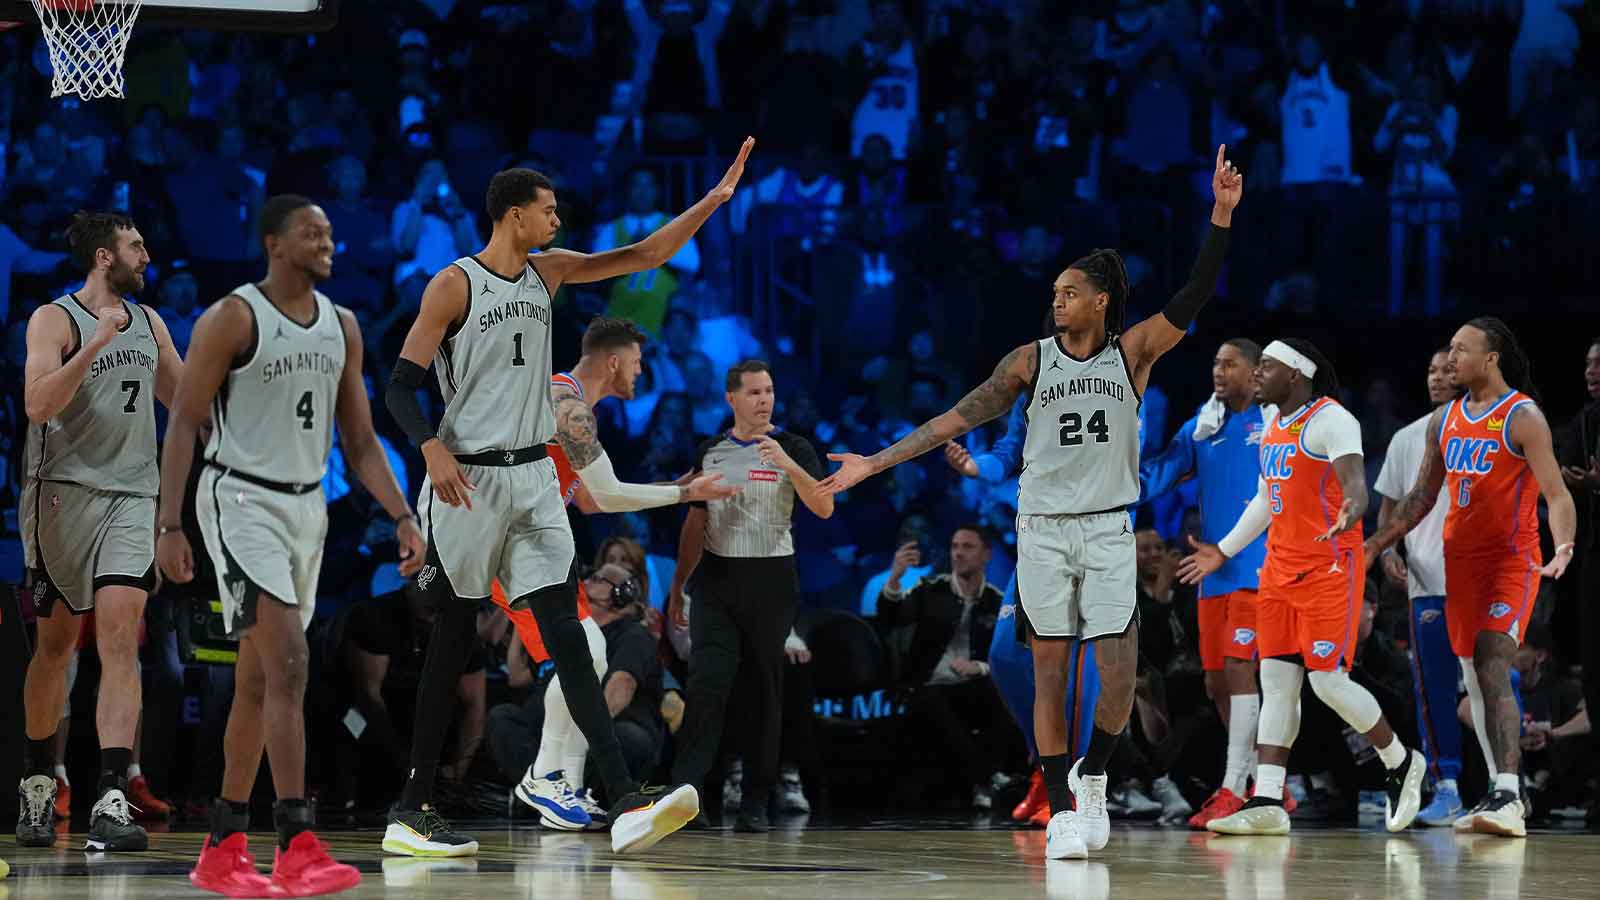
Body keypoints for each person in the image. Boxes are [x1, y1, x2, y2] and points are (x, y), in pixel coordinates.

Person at [821, 146, 1243, 860]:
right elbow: (953, 419)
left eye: (1069, 291)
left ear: (1101, 300)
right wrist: (875, 460)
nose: (1057, 299)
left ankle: (1097, 778)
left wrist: (1221, 218)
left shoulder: (1132, 353)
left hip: (1111, 527)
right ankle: (1062, 801)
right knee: (1048, 668)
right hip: (1043, 529)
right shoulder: (1029, 360)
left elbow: (1192, 299)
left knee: (1118, 670)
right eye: (1054, 290)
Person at [381, 139, 754, 856]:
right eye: (547, 211)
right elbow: (400, 386)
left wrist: (710, 202)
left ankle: (622, 802)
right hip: (469, 478)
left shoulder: (548, 274)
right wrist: (428, 446)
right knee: (453, 642)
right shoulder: (453, 285)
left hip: (533, 480)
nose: (558, 220)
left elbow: (643, 256)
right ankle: (410, 806)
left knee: (573, 640)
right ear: (514, 215)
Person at [155, 195, 425, 896]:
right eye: (312, 232)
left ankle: (222, 845)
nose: (327, 240)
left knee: (256, 681)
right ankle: (297, 838)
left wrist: (402, 515)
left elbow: (360, 443)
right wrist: (169, 525)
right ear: (274, 243)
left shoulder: (343, 325)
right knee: (294, 664)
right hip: (240, 500)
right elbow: (183, 423)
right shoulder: (233, 317)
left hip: (307, 508)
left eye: (331, 231)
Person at [491, 316, 737, 832]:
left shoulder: (574, 406)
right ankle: (544, 777)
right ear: (614, 360)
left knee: (590, 654)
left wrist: (675, 486)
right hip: (506, 546)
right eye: (639, 362)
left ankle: (562, 787)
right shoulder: (569, 404)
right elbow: (608, 494)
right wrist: (685, 493)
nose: (642, 372)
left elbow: (587, 499)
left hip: (532, 548)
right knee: (585, 650)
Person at [1179, 339, 1425, 837]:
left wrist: (1352, 507)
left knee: (1327, 682)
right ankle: (1268, 798)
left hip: (1329, 568)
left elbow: (1354, 482)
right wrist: (1223, 549)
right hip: (1278, 571)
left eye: (1265, 367)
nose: (1257, 375)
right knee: (1277, 685)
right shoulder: (1273, 426)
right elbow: (1268, 499)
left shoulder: (1333, 420)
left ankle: (1400, 760)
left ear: (1295, 374)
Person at [1363, 317, 1577, 837]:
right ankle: (1503, 792)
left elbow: (1557, 493)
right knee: (1474, 680)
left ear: (1491, 357)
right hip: (1460, 568)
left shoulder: (1522, 416)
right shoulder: (1445, 422)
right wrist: (1373, 544)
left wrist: (1564, 542)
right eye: (1450, 350)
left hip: (1511, 561)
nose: (1452, 359)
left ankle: (1506, 790)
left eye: (1462, 350)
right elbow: (1419, 499)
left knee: (1491, 660)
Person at [17, 212, 183, 852]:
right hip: (61, 496)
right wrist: (95, 345)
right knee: (56, 648)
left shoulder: (151, 322)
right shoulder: (54, 319)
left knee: (120, 641)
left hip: (133, 497)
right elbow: (37, 405)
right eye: (136, 245)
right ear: (104, 257)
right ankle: (38, 780)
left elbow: (185, 398)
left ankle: (111, 794)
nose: (147, 254)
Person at [668, 359, 834, 831]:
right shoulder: (711, 450)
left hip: (771, 579)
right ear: (732, 399)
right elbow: (695, 521)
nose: (765, 401)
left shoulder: (795, 446)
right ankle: (687, 795)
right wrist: (679, 586)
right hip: (716, 579)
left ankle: (756, 801)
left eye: (769, 391)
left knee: (764, 690)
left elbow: (823, 506)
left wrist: (786, 464)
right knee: (707, 684)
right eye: (755, 393)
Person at [1137, 338, 1272, 829]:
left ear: (1257, 372)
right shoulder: (1204, 423)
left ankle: (1235, 789)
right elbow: (1155, 477)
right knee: (1217, 683)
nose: (1219, 369)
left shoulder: (1276, 423)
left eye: (1230, 363)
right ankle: (1263, 783)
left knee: (1239, 671)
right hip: (1211, 573)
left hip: (1258, 570)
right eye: (1216, 361)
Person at [1373, 347, 1468, 826]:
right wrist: (1388, 551)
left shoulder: (1483, 433)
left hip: (1478, 582)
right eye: (1431, 369)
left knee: (1484, 689)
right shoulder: (1407, 438)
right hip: (1427, 584)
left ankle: (1504, 785)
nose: (1437, 377)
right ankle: (1446, 786)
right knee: (1433, 691)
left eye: (1447, 369)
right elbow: (1388, 510)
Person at [877, 525, 1010, 809]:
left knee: (1002, 695)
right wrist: (895, 578)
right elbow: (891, 618)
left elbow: (1008, 657)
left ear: (986, 554)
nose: (958, 553)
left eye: (967, 547)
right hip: (927, 685)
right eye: (954, 546)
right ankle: (985, 778)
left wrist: (980, 667)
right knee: (932, 701)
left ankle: (988, 778)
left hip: (972, 686)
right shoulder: (930, 590)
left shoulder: (998, 602)